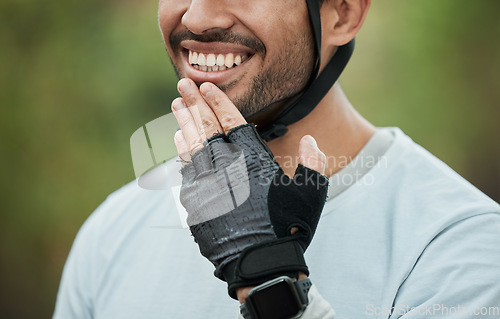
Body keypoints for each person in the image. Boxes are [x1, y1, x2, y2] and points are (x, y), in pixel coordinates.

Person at [54, 0, 500, 318]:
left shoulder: (459, 247)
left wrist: (270, 284)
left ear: (343, 13)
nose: (197, 16)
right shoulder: (110, 234)